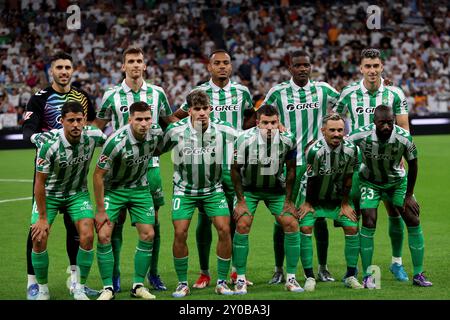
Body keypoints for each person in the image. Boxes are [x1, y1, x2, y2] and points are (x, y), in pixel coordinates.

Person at [92, 46, 177, 292]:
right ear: (123, 66)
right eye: (131, 61)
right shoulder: (112, 95)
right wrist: (108, 150)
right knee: (113, 224)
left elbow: (168, 123)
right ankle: (115, 276)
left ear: (145, 65)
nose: (135, 65)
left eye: (139, 60)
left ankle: (153, 274)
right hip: (118, 170)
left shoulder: (158, 93)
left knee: (153, 224)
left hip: (149, 167)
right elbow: (98, 127)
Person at [173, 49, 254, 288]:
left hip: (236, 166)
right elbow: (177, 117)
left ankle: (237, 273)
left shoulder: (242, 92)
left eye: (226, 63)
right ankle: (205, 272)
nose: (222, 67)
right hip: (208, 165)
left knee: (236, 220)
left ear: (231, 66)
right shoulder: (198, 94)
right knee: (204, 220)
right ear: (209, 67)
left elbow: (250, 118)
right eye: (217, 63)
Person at [22, 51, 97, 300]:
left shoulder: (83, 97)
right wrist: (38, 138)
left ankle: (75, 280)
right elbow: (29, 128)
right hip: (47, 169)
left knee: (77, 227)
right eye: (59, 67)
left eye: (67, 67)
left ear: (72, 70)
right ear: (51, 71)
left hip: (75, 170)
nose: (64, 71)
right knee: (38, 226)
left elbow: (94, 125)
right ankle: (33, 282)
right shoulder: (40, 97)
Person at [261, 51, 340, 284]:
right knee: (284, 217)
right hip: (287, 163)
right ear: (290, 67)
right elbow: (262, 113)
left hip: (318, 163)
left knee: (319, 217)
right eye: (298, 65)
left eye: (307, 64)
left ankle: (323, 267)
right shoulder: (278, 92)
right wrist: (279, 124)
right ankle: (279, 268)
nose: (303, 69)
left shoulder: (324, 89)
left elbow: (346, 102)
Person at [334, 48, 411, 281]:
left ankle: (396, 263)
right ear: (360, 68)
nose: (372, 70)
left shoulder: (395, 93)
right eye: (367, 66)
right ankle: (354, 269)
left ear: (382, 67)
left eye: (376, 66)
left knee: (395, 212)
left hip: (388, 164)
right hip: (359, 166)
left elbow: (404, 126)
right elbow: (334, 120)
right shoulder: (348, 93)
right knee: (355, 216)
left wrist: (402, 156)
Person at [162, 90, 237, 298]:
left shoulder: (225, 129)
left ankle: (221, 282)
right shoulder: (175, 130)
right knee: (180, 232)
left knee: (224, 229)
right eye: (197, 109)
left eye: (205, 108)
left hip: (213, 189)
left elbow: (247, 141)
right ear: (189, 111)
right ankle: (182, 283)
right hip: (184, 190)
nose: (202, 113)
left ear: (210, 109)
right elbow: (155, 149)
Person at [348, 105, 432, 288]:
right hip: (369, 182)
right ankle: (368, 275)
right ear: (374, 122)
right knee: (369, 221)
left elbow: (414, 165)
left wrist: (409, 195)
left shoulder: (403, 137)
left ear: (393, 121)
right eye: (382, 123)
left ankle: (418, 274)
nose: (386, 126)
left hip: (396, 182)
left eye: (389, 122)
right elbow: (344, 149)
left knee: (413, 218)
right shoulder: (359, 135)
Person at [30, 101, 106, 300]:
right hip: (50, 194)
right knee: (39, 237)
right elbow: (39, 182)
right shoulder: (49, 146)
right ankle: (43, 289)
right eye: (70, 120)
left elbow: (114, 145)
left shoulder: (93, 136)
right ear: (62, 121)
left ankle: (79, 287)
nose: (75, 125)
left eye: (79, 120)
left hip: (77, 193)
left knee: (88, 236)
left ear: (84, 121)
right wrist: (43, 218)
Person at [93, 101, 163, 300]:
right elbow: (97, 175)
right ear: (130, 119)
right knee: (104, 234)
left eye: (147, 119)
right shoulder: (116, 142)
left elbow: (161, 148)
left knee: (149, 234)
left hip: (140, 188)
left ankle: (138, 285)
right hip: (114, 190)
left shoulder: (156, 133)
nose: (143, 123)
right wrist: (100, 210)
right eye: (139, 119)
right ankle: (107, 288)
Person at [231, 104, 303, 294]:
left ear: (278, 122)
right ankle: (240, 279)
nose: (269, 127)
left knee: (291, 223)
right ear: (257, 123)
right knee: (242, 224)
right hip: (249, 190)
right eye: (265, 123)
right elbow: (235, 170)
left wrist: (289, 201)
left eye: (273, 123)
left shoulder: (288, 139)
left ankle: (292, 278)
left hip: (275, 191)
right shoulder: (243, 139)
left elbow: (292, 170)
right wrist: (240, 201)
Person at [298, 113, 363, 291]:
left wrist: (345, 204)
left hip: (336, 199)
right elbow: (311, 180)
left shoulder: (352, 149)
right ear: (323, 131)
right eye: (332, 130)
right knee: (305, 227)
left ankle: (350, 276)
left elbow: (349, 177)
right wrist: (308, 204)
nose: (336, 134)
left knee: (352, 226)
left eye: (340, 130)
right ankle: (310, 276)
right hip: (313, 198)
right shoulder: (314, 151)